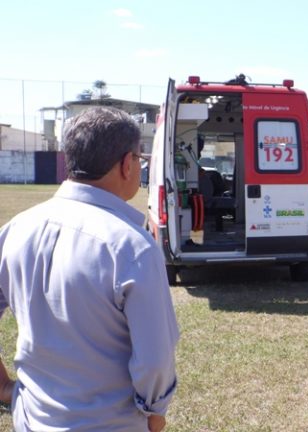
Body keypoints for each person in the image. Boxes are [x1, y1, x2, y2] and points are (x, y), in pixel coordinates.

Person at [0, 107, 179, 431]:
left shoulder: (15, 230)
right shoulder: (133, 248)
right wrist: (155, 414)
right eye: (140, 159)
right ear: (127, 164)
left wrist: (3, 386)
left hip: (30, 421)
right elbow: (154, 362)